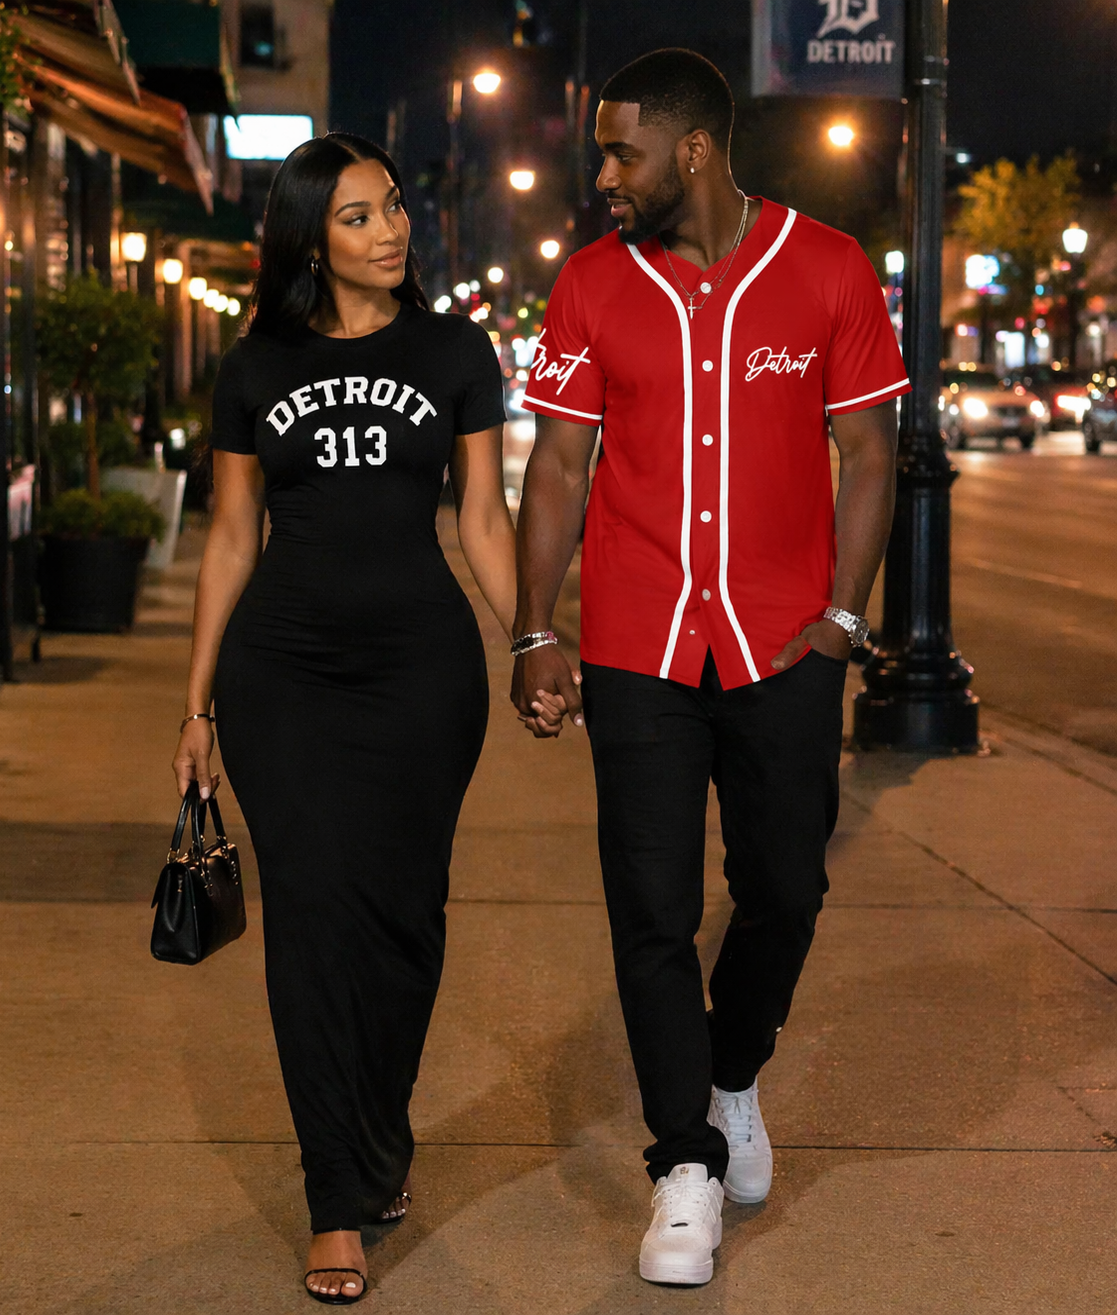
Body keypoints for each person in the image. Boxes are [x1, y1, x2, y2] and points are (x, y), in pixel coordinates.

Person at [512, 49, 908, 1286]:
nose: (604, 174)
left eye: (620, 151)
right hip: (636, 644)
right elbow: (561, 467)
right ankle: (682, 1159)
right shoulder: (589, 285)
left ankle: (732, 1075)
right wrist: (535, 627)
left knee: (785, 884)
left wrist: (845, 618)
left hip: (784, 641)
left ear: (691, 150)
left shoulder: (829, 270)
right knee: (650, 909)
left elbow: (869, 452)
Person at [172, 132, 560, 1304]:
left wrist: (533, 639)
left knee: (404, 925)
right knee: (310, 921)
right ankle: (334, 1194)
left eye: (393, 206)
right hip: (281, 676)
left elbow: (483, 521)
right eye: (357, 216)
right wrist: (194, 706)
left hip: (418, 678)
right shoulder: (254, 366)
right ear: (307, 238)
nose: (391, 229)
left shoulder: (454, 349)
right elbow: (232, 537)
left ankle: (381, 1136)